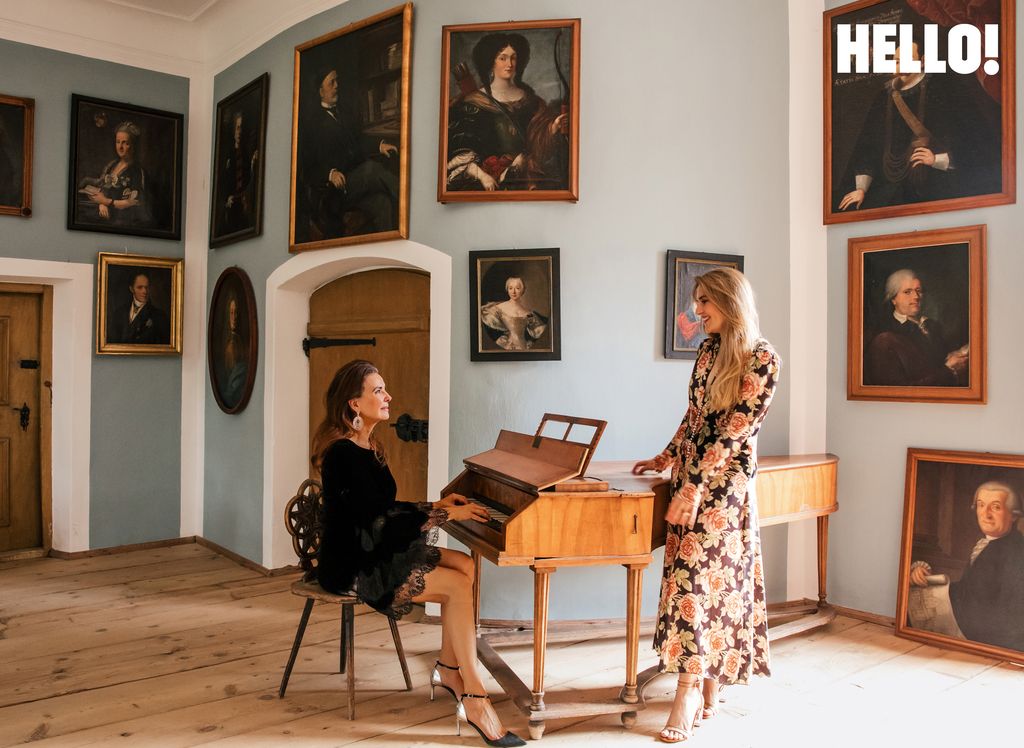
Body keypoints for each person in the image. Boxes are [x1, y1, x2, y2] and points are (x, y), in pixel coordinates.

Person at [312, 360, 525, 747]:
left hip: (372, 547)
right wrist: (442, 513)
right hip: (353, 562)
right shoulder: (341, 454)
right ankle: (476, 697)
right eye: (378, 390)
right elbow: (374, 519)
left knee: (464, 565)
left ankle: (447, 668)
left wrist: (437, 504)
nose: (388, 395)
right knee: (457, 587)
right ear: (354, 404)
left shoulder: (369, 446)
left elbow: (381, 508)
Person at [633, 268, 779, 744]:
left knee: (702, 583)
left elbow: (736, 429)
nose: (697, 311)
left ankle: (689, 692)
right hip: (689, 478)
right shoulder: (707, 351)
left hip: (723, 489)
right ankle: (706, 683)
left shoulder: (763, 359)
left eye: (704, 302)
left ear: (729, 301)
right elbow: (696, 415)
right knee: (688, 581)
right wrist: (666, 456)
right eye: (696, 301)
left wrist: (694, 487)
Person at [836, 37, 1001, 213]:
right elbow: (867, 146)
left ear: (922, 60)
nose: (900, 65)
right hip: (891, 186)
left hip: (939, 183)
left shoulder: (943, 88)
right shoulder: (883, 97)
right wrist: (861, 188)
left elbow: (971, 138)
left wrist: (937, 159)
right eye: (897, 60)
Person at [446, 32, 569, 192]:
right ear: (491, 62)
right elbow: (462, 151)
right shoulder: (473, 103)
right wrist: (483, 176)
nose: (509, 63)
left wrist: (553, 127)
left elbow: (538, 145)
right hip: (486, 184)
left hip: (525, 180)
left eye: (513, 57)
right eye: (502, 58)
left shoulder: (532, 101)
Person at [910, 481, 1024, 652]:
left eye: (996, 507)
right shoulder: (990, 543)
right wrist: (923, 575)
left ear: (1014, 515)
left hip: (992, 642)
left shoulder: (1016, 551)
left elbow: (1007, 613)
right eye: (981, 505)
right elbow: (973, 590)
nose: (986, 514)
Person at [299, 67, 399, 240]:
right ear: (321, 91)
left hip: (355, 185)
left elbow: (359, 140)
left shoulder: (344, 113)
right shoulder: (312, 124)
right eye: (332, 83)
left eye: (337, 81)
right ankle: (413, 205)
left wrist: (379, 146)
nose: (337, 86)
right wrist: (329, 174)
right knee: (371, 169)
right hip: (334, 193)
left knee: (383, 204)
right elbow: (306, 167)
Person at [864, 268, 967, 387]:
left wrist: (957, 355)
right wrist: (949, 371)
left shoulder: (932, 326)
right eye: (907, 292)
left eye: (919, 290)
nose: (916, 297)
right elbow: (898, 390)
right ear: (893, 299)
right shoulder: (885, 338)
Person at [78, 121, 150, 227]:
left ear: (133, 146)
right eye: (118, 142)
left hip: (121, 218)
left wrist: (106, 202)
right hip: (104, 210)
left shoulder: (136, 171)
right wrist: (101, 203)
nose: (120, 147)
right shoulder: (113, 164)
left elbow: (134, 202)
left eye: (125, 143)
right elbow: (103, 186)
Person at [216, 111, 258, 237]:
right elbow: (221, 183)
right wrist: (226, 199)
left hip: (244, 203)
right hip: (231, 204)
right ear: (234, 130)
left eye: (242, 128)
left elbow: (250, 181)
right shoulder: (227, 155)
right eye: (238, 128)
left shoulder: (247, 154)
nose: (240, 132)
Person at [479, 275, 548, 351]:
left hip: (524, 347)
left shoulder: (529, 313)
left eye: (517, 288)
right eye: (510, 288)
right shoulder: (498, 308)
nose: (513, 292)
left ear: (523, 290)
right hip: (506, 347)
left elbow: (538, 331)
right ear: (507, 290)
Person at [108, 271, 170, 345]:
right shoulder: (119, 312)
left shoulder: (159, 315)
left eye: (147, 287)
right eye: (140, 287)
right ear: (131, 289)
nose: (145, 291)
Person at [216, 296, 247, 409]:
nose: (234, 317)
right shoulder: (227, 340)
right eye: (232, 313)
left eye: (236, 313)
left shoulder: (242, 343)